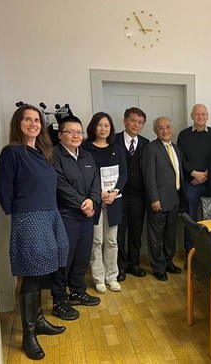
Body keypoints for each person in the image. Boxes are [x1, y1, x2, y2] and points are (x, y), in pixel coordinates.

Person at [0, 104, 69, 360]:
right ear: (18, 124)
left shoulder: (43, 153)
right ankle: (28, 335)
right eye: (27, 119)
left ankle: (38, 321)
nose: (33, 124)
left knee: (46, 269)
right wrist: (20, 213)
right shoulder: (12, 152)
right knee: (32, 272)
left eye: (37, 120)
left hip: (50, 213)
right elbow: (3, 191)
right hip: (29, 217)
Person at [51, 116, 101, 321]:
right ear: (60, 135)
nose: (75, 136)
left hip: (86, 216)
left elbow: (96, 182)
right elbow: (60, 185)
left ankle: (77, 291)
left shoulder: (87, 156)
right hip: (66, 216)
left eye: (79, 132)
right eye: (70, 132)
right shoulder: (54, 155)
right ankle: (59, 299)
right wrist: (83, 203)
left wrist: (93, 200)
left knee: (82, 256)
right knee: (64, 259)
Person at [84, 112, 127, 294]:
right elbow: (84, 175)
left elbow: (123, 174)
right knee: (96, 241)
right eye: (100, 125)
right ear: (94, 127)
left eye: (107, 125)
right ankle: (99, 278)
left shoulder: (117, 147)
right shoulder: (85, 148)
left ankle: (112, 277)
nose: (103, 129)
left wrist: (115, 191)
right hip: (94, 200)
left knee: (111, 241)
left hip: (113, 200)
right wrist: (98, 193)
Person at [143, 117, 183, 281]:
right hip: (158, 200)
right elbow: (149, 176)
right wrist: (154, 198)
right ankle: (158, 267)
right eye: (160, 128)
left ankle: (168, 262)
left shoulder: (176, 148)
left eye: (168, 127)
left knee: (170, 235)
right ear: (155, 130)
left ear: (172, 129)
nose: (165, 130)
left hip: (174, 199)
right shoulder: (150, 148)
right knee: (156, 236)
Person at [177, 104, 211, 252]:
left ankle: (209, 252)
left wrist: (207, 174)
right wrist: (195, 173)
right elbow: (180, 159)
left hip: (210, 182)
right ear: (192, 116)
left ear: (207, 116)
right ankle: (190, 252)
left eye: (203, 114)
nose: (200, 117)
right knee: (191, 219)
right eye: (197, 114)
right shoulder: (184, 135)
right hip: (191, 183)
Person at [115, 107, 150, 282]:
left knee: (136, 232)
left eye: (140, 122)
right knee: (119, 233)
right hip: (118, 196)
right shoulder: (113, 141)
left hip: (138, 196)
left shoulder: (146, 143)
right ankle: (120, 266)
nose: (136, 125)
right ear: (125, 121)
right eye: (133, 121)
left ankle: (134, 263)